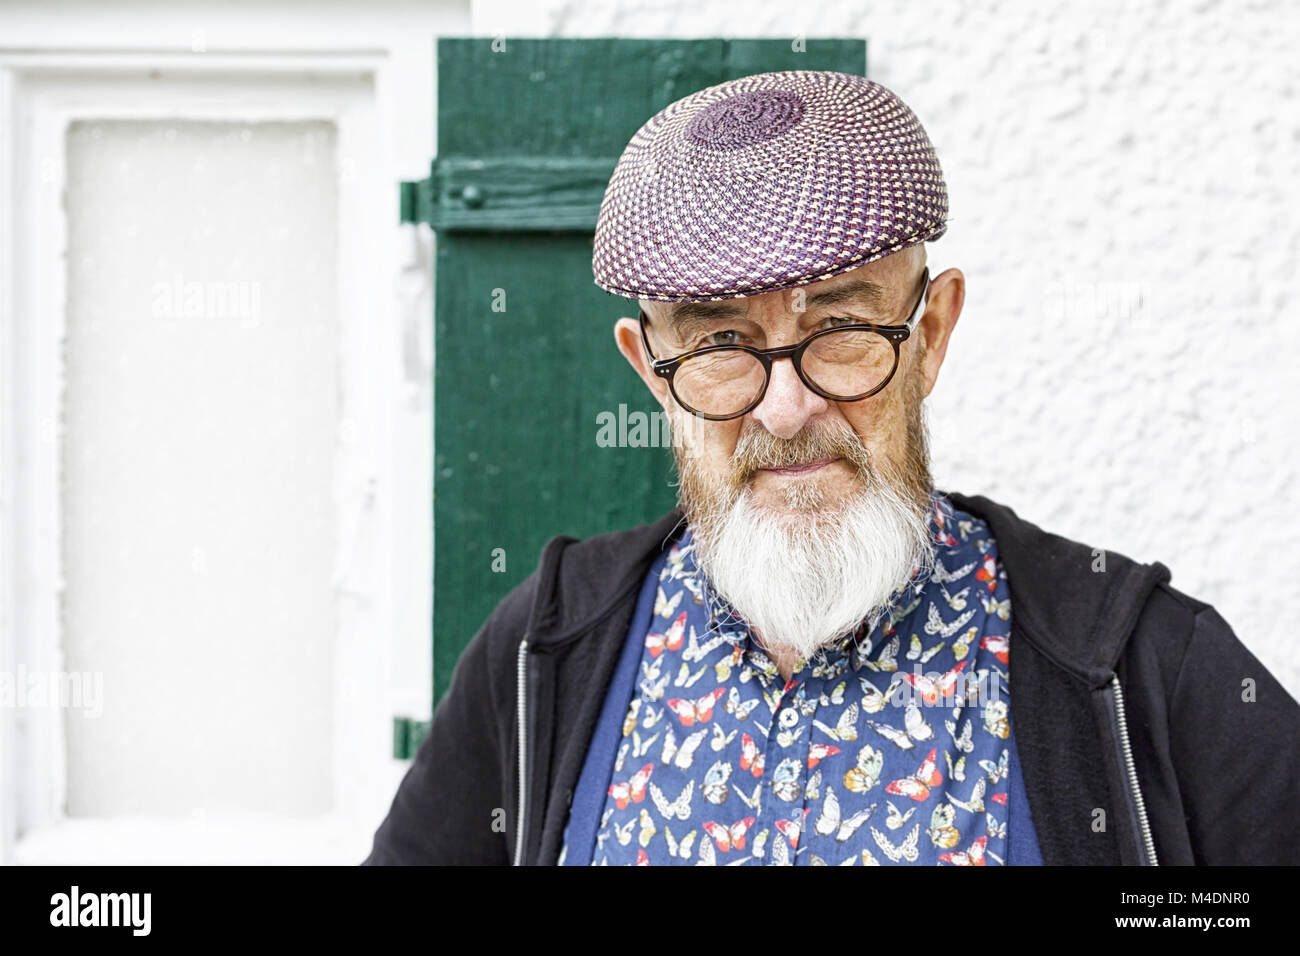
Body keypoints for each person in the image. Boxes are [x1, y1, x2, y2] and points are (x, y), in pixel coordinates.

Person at [364, 70, 1300, 866]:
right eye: (723, 343)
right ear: (653, 375)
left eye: (841, 331)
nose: (786, 408)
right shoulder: (545, 651)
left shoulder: (1134, 660)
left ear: (930, 336)